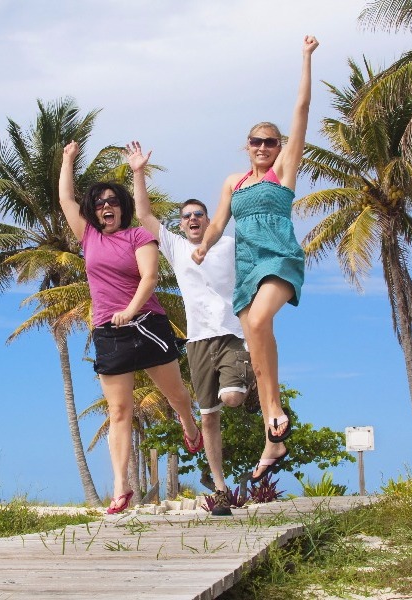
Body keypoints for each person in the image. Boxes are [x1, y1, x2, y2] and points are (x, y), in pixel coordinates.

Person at [192, 35, 320, 483]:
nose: (263, 147)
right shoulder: (234, 181)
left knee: (261, 323)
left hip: (279, 258)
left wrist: (305, 58)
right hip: (248, 267)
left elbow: (301, 111)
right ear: (246, 146)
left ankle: (275, 410)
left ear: (279, 145)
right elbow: (218, 222)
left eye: (270, 141)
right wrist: (206, 243)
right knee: (257, 350)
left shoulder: (285, 170)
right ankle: (273, 433)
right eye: (256, 142)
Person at [59, 140, 203, 515]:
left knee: (176, 397)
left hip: (146, 324)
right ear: (94, 210)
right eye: (101, 203)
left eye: (113, 201)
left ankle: (190, 426)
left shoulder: (139, 235)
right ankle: (121, 487)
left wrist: (130, 309)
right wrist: (68, 160)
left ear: (122, 207)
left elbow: (150, 277)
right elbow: (65, 201)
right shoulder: (88, 236)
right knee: (119, 411)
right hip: (109, 332)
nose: (107, 207)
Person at [127, 141, 257, 516]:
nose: (193, 219)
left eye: (199, 214)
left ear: (209, 218)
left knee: (232, 398)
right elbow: (144, 213)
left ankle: (249, 386)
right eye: (186, 216)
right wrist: (138, 171)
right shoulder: (176, 247)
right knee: (209, 415)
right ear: (181, 224)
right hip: (197, 341)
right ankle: (220, 489)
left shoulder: (229, 243)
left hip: (232, 333)